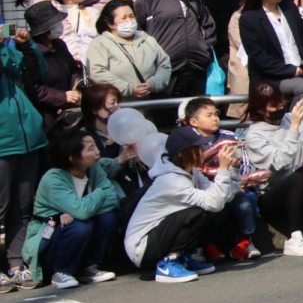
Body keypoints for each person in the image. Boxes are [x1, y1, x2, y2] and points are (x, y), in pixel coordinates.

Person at [124, 126, 239, 283]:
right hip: (142, 247)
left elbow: (223, 198)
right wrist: (223, 170)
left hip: (160, 235)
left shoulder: (191, 172)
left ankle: (183, 257)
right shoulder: (171, 180)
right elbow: (214, 202)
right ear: (182, 154)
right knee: (197, 212)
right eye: (197, 148)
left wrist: (233, 170)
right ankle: (168, 263)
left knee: (208, 210)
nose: (202, 150)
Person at [23, 129, 122, 289]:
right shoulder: (53, 178)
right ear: (73, 158)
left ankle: (88, 267)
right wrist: (97, 193)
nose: (98, 152)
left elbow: (111, 198)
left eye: (96, 146)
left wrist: (79, 210)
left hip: (73, 231)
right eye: (91, 149)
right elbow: (83, 210)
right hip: (48, 242)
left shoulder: (93, 168)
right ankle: (61, 272)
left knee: (107, 217)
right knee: (80, 225)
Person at [241, 81, 303, 257]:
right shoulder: (254, 134)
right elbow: (281, 162)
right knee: (296, 177)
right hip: (272, 194)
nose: (281, 107)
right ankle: (294, 237)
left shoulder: (289, 119)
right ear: (260, 110)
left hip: (301, 187)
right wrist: (294, 128)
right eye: (275, 105)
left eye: (282, 102)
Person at [0, 25, 49, 293]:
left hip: (27, 140)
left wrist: (26, 46)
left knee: (22, 207)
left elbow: (37, 74)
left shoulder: (7, 50)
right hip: (2, 144)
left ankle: (16, 265)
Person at [182, 97, 260, 261]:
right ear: (194, 121)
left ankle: (246, 240)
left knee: (246, 200)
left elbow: (242, 163)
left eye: (216, 114)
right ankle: (205, 245)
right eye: (208, 115)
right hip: (203, 189)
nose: (215, 118)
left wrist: (238, 178)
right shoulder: (188, 143)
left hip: (230, 186)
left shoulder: (229, 137)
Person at [134, 0, 216, 97]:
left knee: (196, 114)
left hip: (196, 67)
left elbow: (208, 24)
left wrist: (203, 48)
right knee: (166, 117)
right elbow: (137, 33)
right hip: (164, 71)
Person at [239, 0, 303, 109]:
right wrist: (290, 70)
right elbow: (258, 56)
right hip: (271, 79)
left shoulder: (289, 7)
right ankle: (294, 125)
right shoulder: (249, 19)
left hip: (300, 71)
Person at [85, 0, 171, 99]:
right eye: (124, 18)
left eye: (131, 16)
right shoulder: (99, 44)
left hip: (151, 101)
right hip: (119, 104)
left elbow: (164, 64)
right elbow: (97, 73)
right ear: (111, 24)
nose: (129, 21)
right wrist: (128, 88)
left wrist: (153, 84)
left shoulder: (147, 39)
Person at [81, 84, 149, 200]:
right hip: (107, 198)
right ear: (96, 110)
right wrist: (119, 161)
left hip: (134, 190)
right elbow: (91, 170)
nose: (118, 107)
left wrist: (139, 158)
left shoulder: (127, 129)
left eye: (118, 102)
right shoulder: (84, 137)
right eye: (113, 103)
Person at [24, 0, 81, 130]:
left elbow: (73, 69)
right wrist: (62, 97)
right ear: (45, 29)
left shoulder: (59, 44)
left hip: (70, 109)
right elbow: (32, 88)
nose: (60, 26)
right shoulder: (31, 52)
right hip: (46, 116)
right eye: (56, 24)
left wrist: (75, 90)